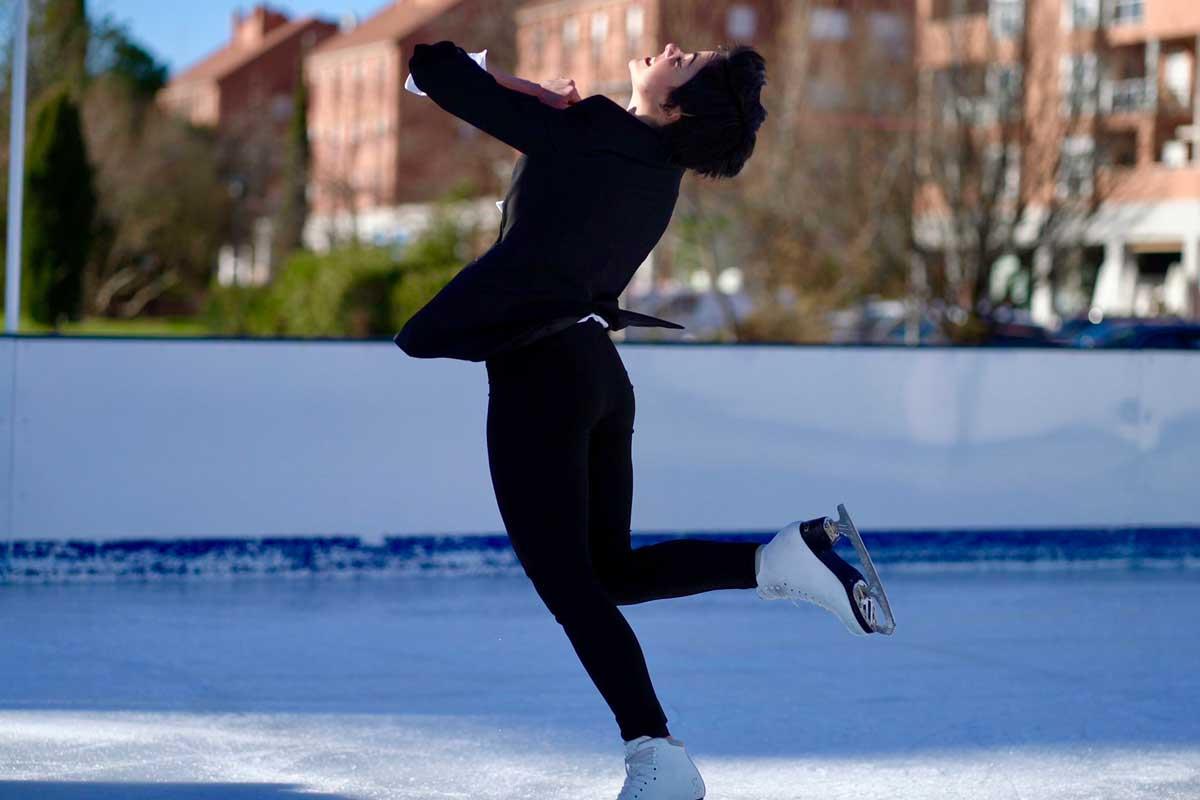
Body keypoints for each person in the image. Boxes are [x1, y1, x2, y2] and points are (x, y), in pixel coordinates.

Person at [395, 38, 870, 800]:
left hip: (543, 377)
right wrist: (548, 104)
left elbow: (435, 70)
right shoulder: (652, 165)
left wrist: (534, 97)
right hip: (597, 376)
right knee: (607, 574)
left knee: (571, 589)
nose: (672, 49)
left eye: (686, 62)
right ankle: (781, 560)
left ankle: (657, 756)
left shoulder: (597, 134)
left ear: (676, 103)